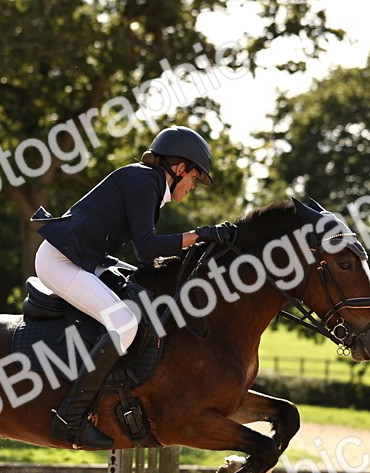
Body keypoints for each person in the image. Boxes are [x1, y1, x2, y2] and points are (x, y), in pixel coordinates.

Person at [32, 125, 234, 449]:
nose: (192, 187)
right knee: (124, 322)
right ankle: (70, 419)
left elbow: (145, 253)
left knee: (143, 296)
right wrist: (200, 235)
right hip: (60, 261)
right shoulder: (145, 181)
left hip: (84, 259)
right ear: (180, 168)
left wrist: (198, 239)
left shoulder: (149, 183)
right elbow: (148, 247)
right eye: (194, 178)